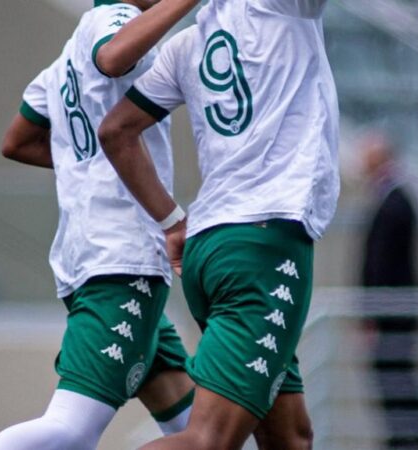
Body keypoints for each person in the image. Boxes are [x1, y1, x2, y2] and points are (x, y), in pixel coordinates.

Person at [98, 0, 340, 448]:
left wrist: (172, 222)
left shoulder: (186, 44)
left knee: (292, 437)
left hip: (211, 249)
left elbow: (116, 131)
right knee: (206, 440)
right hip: (264, 248)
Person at [0, 1, 199, 448]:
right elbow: (114, 56)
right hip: (124, 261)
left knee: (204, 436)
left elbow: (16, 141)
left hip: (89, 259)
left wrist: (95, 165)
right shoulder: (114, 20)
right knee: (71, 429)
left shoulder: (64, 61)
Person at [358, 133, 418, 449]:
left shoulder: (396, 203)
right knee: (396, 380)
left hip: (393, 313)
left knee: (398, 379)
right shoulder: (394, 200)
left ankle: (414, 439)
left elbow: (381, 266)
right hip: (392, 311)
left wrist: (372, 314)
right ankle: (407, 438)